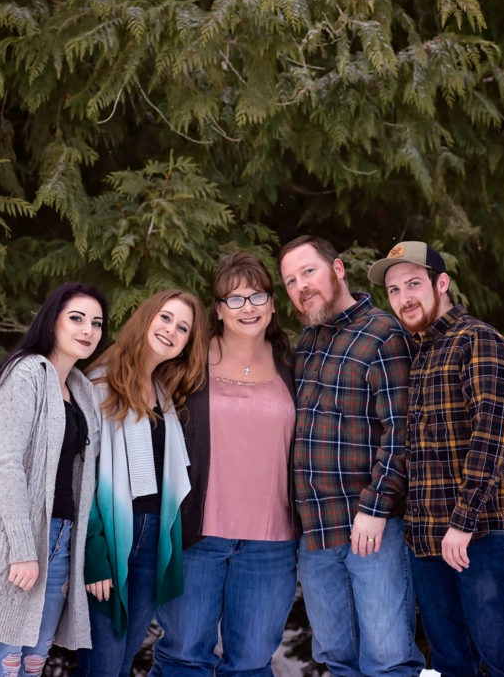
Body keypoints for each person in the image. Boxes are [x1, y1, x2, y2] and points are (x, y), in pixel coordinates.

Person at [368, 241, 504, 677]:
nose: (404, 298)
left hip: (483, 536)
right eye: (393, 290)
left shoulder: (479, 341)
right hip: (428, 542)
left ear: (441, 284)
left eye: (413, 284)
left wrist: (462, 522)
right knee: (450, 666)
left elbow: (492, 435)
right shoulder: (419, 353)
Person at [277, 236, 425, 677]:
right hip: (316, 536)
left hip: (371, 532)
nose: (301, 286)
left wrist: (376, 507)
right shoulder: (306, 343)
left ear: (337, 269)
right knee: (338, 661)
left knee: (388, 660)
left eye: (308, 272)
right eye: (290, 280)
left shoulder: (383, 334)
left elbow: (400, 430)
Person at [0, 282, 109, 677]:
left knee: (32, 667)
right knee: (0, 670)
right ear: (52, 320)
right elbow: (6, 465)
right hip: (15, 546)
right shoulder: (25, 374)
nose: (87, 329)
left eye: (97, 323)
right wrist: (23, 549)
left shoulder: (81, 390)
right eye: (76, 318)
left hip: (61, 542)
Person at [150, 252, 298, 677]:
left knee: (251, 663)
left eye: (257, 296)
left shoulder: (294, 365)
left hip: (271, 542)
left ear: (272, 304)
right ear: (217, 310)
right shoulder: (189, 362)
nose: (247, 308)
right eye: (234, 299)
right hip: (198, 536)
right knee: (183, 656)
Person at [75, 290, 208, 677]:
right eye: (165, 318)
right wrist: (94, 554)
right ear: (147, 317)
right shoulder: (100, 383)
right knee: (102, 666)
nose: (171, 330)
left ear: (186, 344)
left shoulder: (164, 394)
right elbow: (81, 477)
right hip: (112, 537)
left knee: (122, 662)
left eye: (182, 328)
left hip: (152, 543)